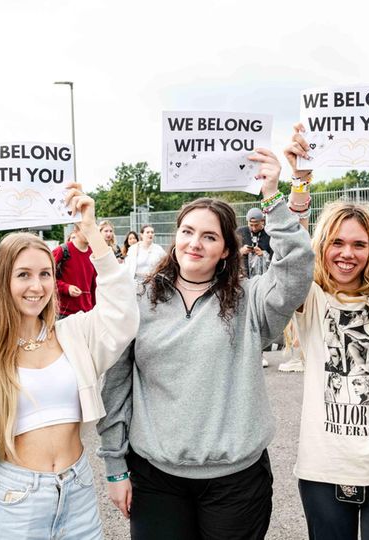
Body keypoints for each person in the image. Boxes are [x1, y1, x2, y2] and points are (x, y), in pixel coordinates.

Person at [97, 148, 314, 539]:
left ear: (226, 250)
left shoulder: (250, 300)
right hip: (157, 478)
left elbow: (297, 270)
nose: (195, 243)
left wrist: (273, 198)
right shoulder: (137, 300)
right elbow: (116, 388)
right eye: (187, 232)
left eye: (209, 236)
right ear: (175, 236)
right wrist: (114, 465)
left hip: (236, 483)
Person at [0, 183, 138, 539]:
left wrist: (92, 233)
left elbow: (123, 315)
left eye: (45, 274)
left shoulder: (74, 335)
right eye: (23, 274)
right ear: (2, 280)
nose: (36, 286)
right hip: (15, 501)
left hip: (79, 493)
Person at [284, 122, 369, 540]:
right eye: (338, 243)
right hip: (324, 466)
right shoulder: (307, 296)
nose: (347, 253)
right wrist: (300, 183)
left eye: (359, 244)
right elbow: (292, 246)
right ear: (323, 245)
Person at [53, 225, 98, 317]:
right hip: (64, 313)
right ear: (76, 231)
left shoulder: (94, 253)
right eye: (87, 231)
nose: (91, 234)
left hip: (87, 313)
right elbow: (44, 278)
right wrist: (66, 288)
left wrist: (95, 309)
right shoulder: (62, 250)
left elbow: (94, 286)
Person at [238, 207, 273, 277]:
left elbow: (275, 257)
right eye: (251, 225)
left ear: (262, 221)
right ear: (247, 222)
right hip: (244, 275)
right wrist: (241, 251)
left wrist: (263, 254)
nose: (254, 228)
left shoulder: (269, 234)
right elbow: (230, 253)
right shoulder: (240, 232)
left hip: (264, 276)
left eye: (256, 225)